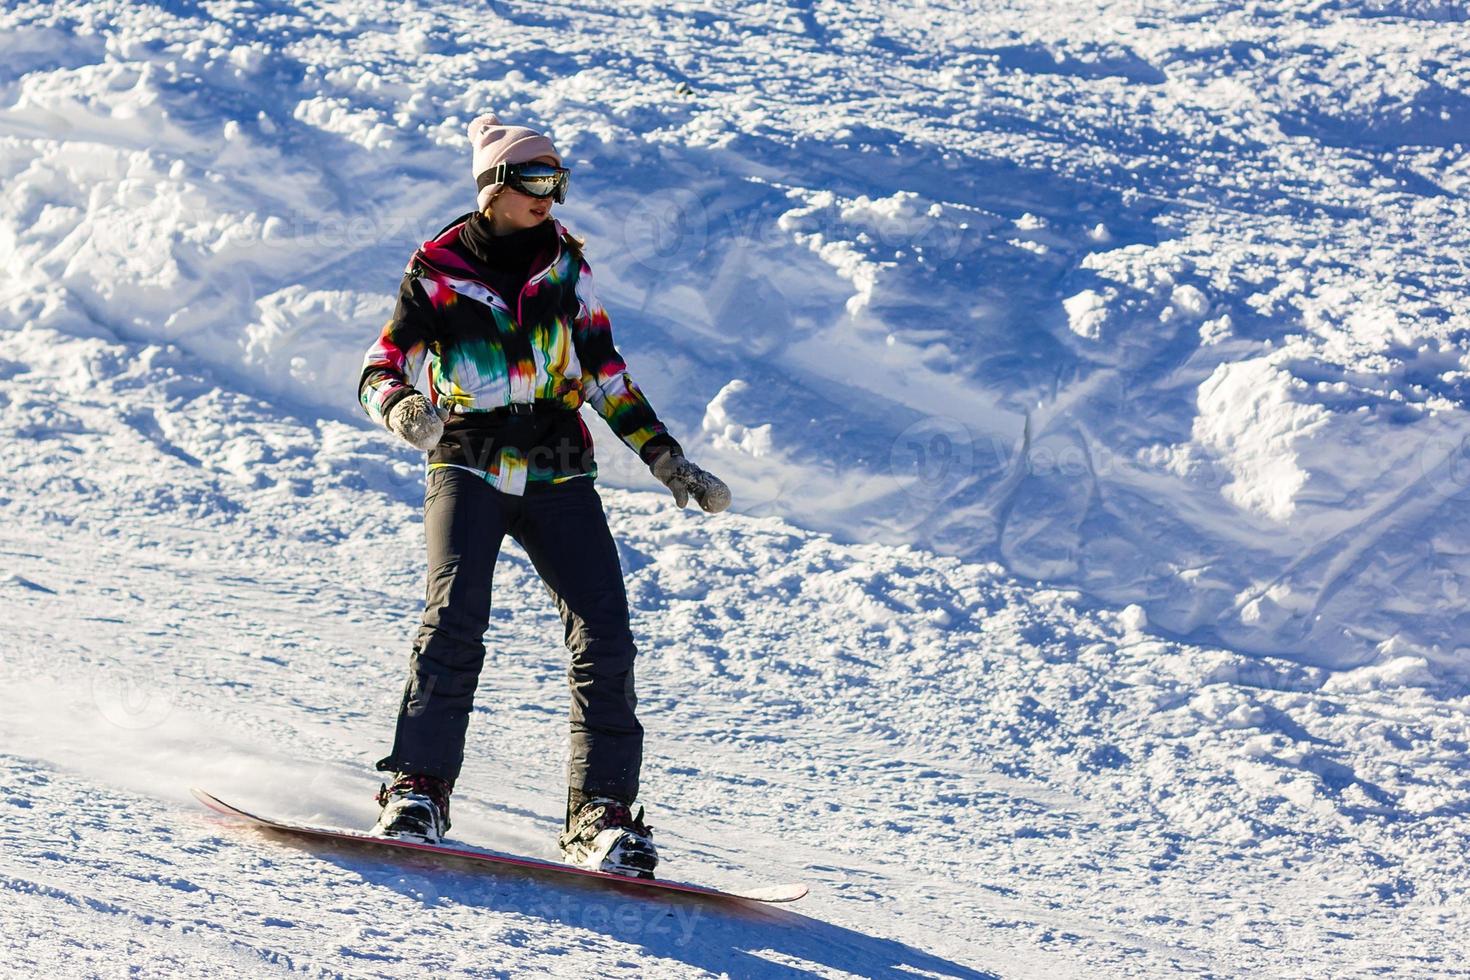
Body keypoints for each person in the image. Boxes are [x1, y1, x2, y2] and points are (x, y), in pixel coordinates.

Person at [356, 113, 730, 878]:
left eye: (557, 179)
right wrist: (403, 409)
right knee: (455, 619)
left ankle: (602, 815)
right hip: (469, 460)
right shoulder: (437, 271)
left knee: (605, 632)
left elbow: (604, 371)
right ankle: (417, 788)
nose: (549, 195)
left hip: (559, 466)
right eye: (534, 178)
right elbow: (380, 366)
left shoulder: (566, 269)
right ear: (494, 185)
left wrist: (663, 456)